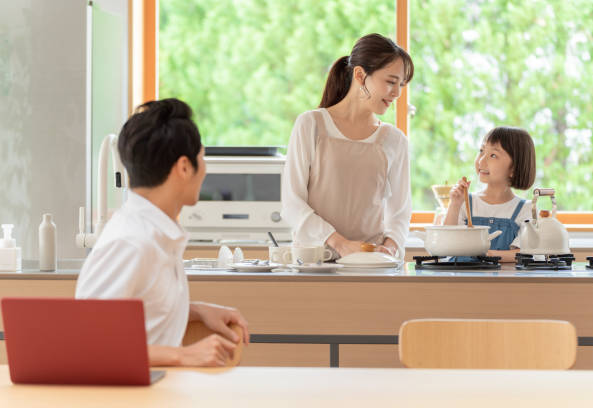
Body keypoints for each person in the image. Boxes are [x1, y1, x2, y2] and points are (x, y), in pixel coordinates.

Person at [76, 98, 249, 366]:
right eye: (202, 157)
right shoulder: (130, 242)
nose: (205, 168)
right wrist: (183, 355)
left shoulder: (156, 233)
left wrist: (195, 311)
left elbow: (139, 310)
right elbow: (88, 345)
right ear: (183, 167)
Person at [281, 33, 414, 259]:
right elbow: (292, 203)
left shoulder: (394, 140)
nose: (397, 93)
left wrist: (389, 248)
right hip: (313, 263)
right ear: (361, 75)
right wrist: (340, 244)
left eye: (401, 85)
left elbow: (400, 214)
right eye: (391, 82)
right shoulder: (311, 124)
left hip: (369, 266)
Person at [444, 126, 537, 262]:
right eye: (481, 151)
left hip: (500, 283)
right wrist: (454, 205)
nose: (481, 161)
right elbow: (446, 244)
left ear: (514, 167)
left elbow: (525, 254)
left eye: (493, 155)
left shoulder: (526, 209)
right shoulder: (465, 202)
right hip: (460, 282)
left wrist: (484, 255)